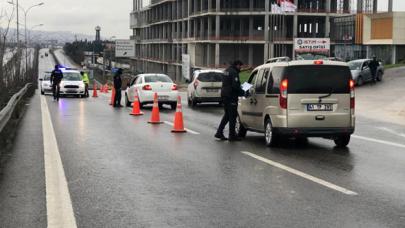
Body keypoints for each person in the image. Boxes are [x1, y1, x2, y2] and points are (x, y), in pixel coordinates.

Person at [215, 60, 245, 141]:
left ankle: (219, 132)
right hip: (231, 96)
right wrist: (243, 92)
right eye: (240, 66)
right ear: (237, 65)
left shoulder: (226, 71)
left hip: (225, 95)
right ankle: (232, 135)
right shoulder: (234, 72)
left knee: (227, 115)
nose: (241, 68)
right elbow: (235, 86)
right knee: (232, 116)